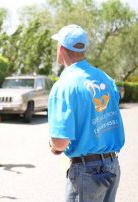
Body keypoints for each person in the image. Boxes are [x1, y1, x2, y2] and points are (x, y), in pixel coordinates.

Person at [48, 24, 125, 202]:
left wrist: (54, 147)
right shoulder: (105, 78)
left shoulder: (64, 85)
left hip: (86, 172)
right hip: (112, 165)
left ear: (60, 49)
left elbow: (60, 142)